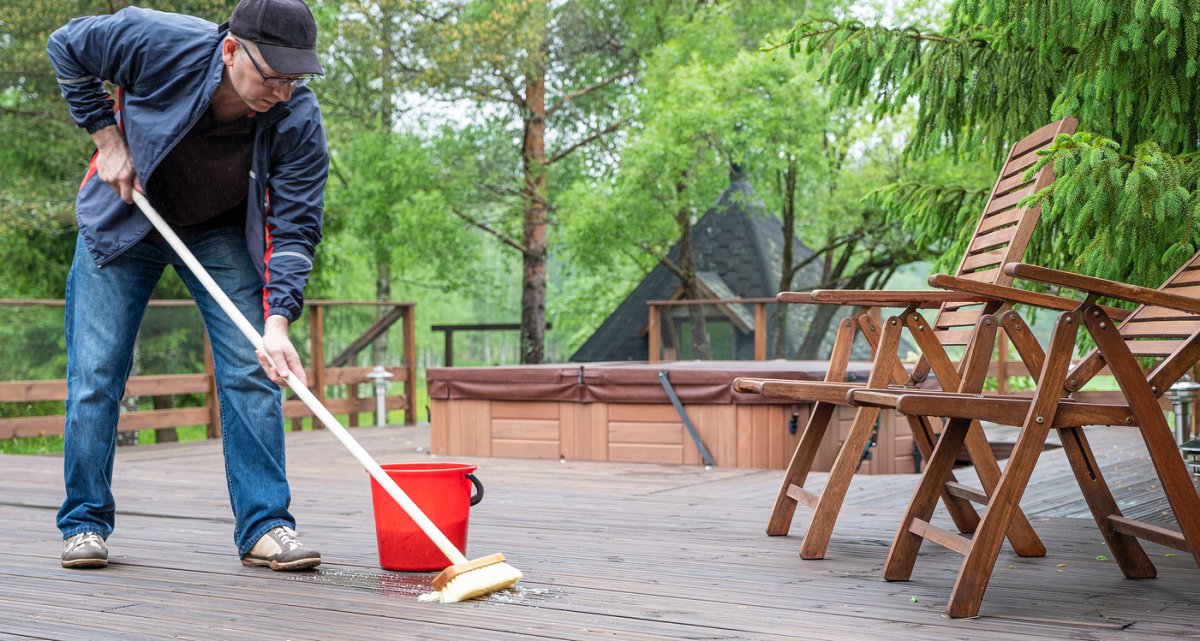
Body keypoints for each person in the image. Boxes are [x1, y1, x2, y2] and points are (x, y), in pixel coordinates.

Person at [46, 0, 328, 571]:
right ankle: (83, 524)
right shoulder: (157, 40)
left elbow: (294, 226)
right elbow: (66, 45)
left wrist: (277, 323)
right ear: (231, 51)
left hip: (217, 230)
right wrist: (108, 139)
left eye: (295, 79)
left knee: (254, 367)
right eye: (272, 77)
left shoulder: (297, 116)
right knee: (96, 373)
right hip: (128, 216)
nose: (283, 92)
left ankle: (265, 525)